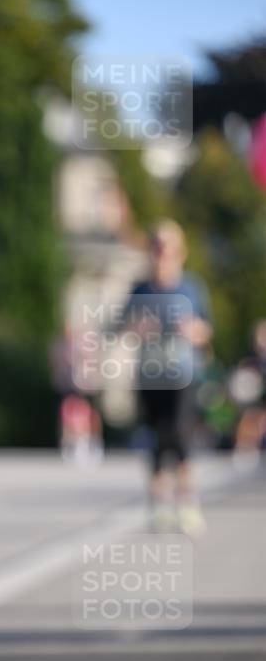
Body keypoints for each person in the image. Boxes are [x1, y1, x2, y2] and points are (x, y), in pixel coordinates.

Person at [122, 221, 213, 535]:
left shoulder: (191, 287)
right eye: (157, 246)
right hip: (150, 374)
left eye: (168, 247)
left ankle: (187, 505)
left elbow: (206, 329)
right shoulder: (140, 289)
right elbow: (121, 326)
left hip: (183, 375)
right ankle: (159, 506)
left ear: (180, 252)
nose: (162, 253)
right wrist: (138, 328)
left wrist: (192, 330)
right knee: (157, 440)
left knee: (181, 438)